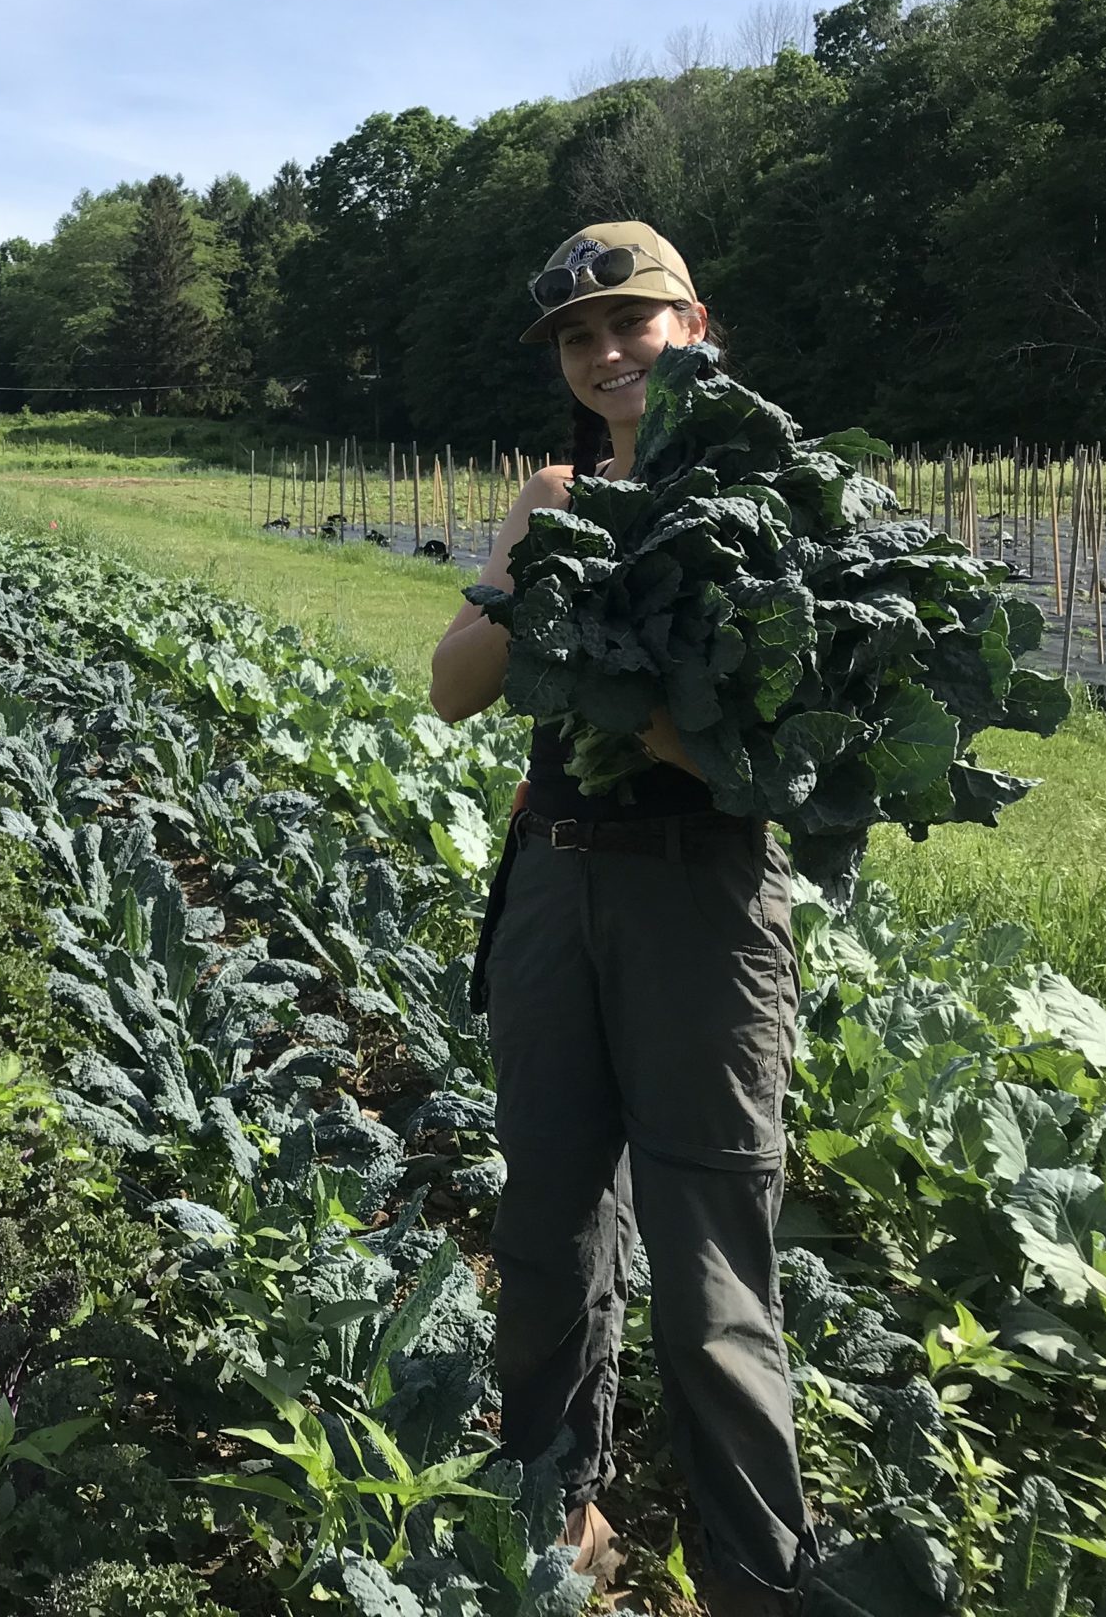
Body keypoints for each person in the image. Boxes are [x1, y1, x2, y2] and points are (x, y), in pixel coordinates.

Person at [428, 223, 814, 1615]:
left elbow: (775, 770)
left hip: (699, 900)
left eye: (628, 324)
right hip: (553, 879)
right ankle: (551, 1520)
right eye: (578, 339)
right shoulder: (553, 492)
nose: (603, 354)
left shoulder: (780, 505)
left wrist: (626, 704)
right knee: (546, 1224)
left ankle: (756, 1576)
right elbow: (453, 685)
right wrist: (534, 579)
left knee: (712, 1263)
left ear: (693, 325)